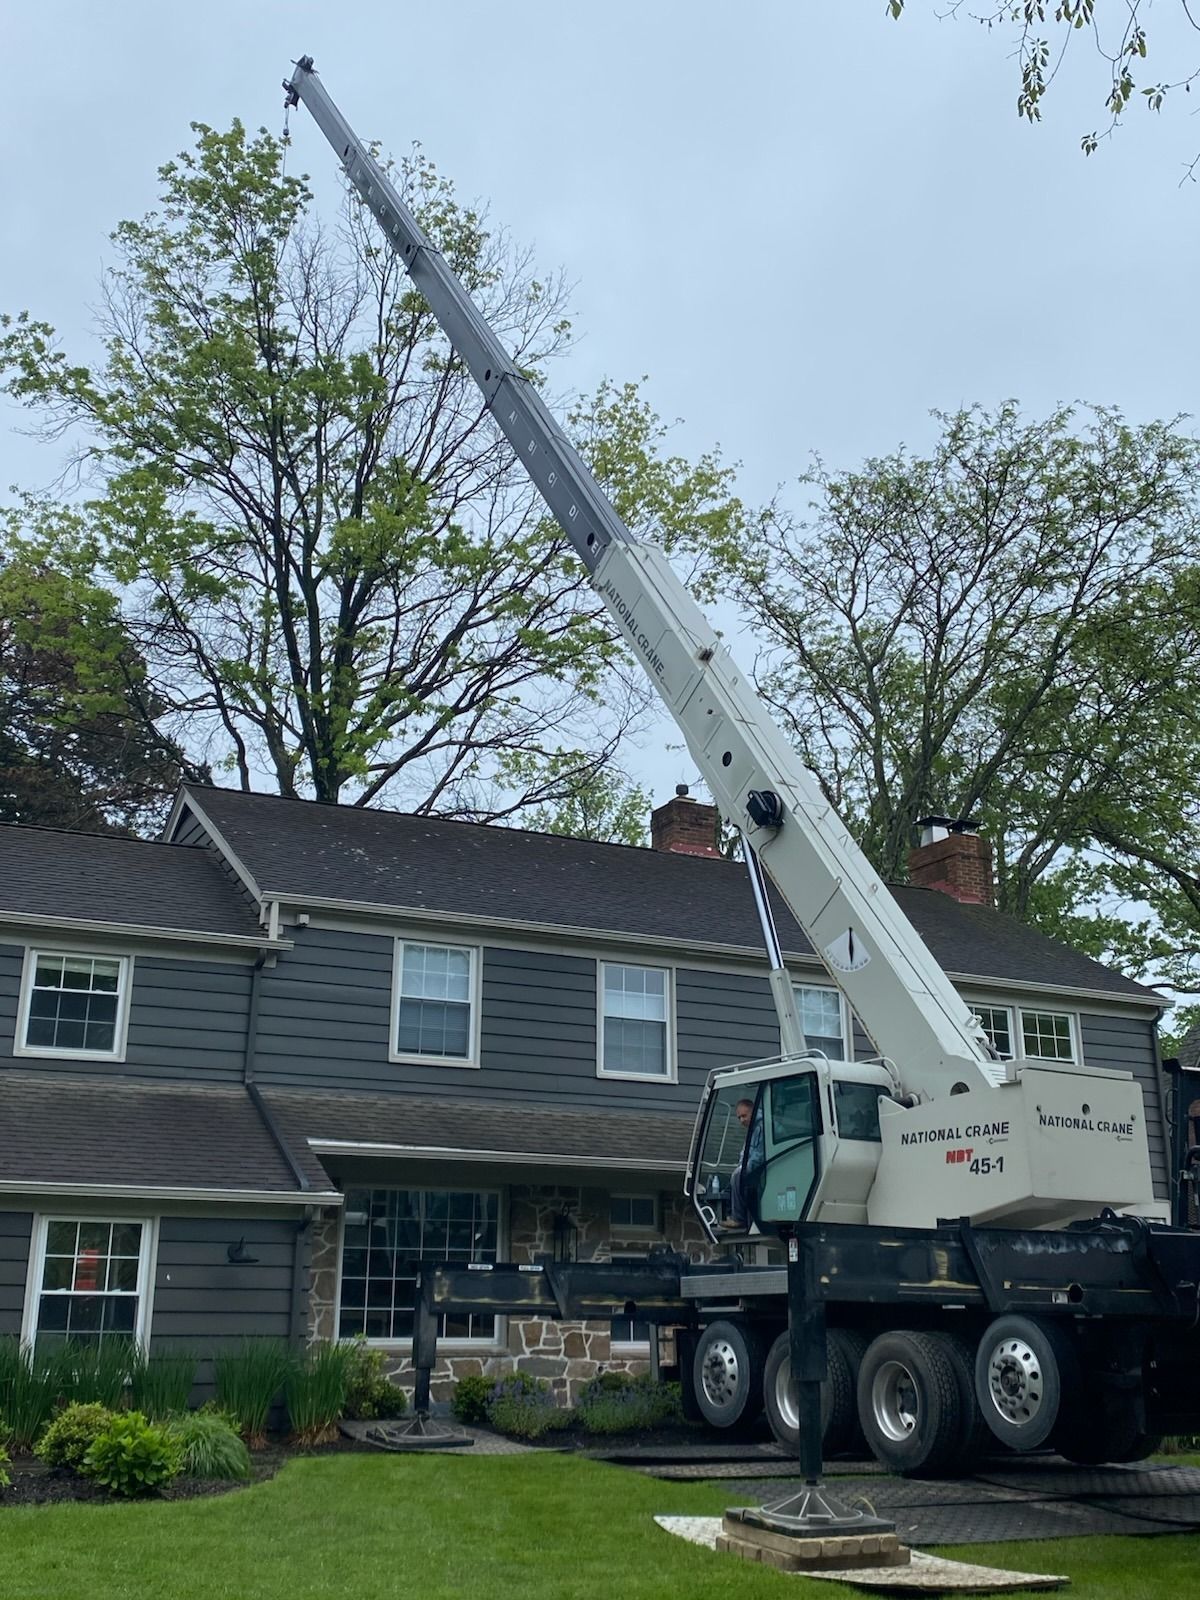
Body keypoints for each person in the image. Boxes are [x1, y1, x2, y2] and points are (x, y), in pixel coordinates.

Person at [724, 1097, 763, 1231]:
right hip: (754, 1167)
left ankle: (738, 1218)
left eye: (744, 1116)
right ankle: (728, 1213)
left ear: (752, 1112)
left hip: (762, 1170)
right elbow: (745, 1152)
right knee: (729, 1184)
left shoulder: (762, 1127)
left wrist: (744, 1168)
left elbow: (759, 1155)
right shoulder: (753, 1129)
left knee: (738, 1175)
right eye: (739, 1117)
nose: (741, 1120)